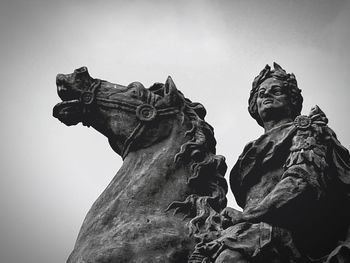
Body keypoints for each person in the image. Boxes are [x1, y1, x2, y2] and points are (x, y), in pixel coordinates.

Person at [191, 63, 350, 263]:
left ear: (291, 99)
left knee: (229, 259)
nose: (267, 96)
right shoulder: (248, 151)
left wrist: (247, 216)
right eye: (261, 93)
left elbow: (300, 184)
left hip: (291, 232)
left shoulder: (306, 131)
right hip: (249, 227)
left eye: (276, 91)